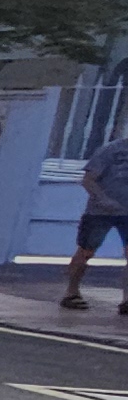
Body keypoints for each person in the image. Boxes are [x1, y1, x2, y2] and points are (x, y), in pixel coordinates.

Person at [67, 123, 128, 310]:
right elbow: (88, 180)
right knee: (86, 251)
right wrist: (103, 199)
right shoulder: (111, 151)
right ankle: (71, 292)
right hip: (100, 212)